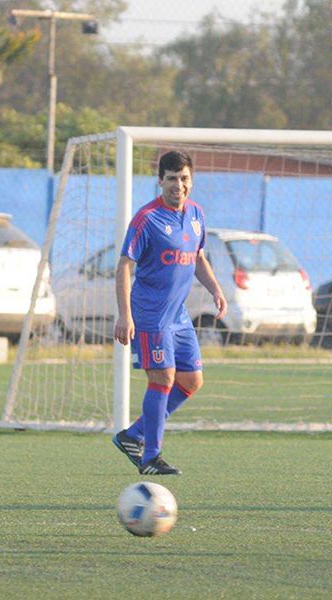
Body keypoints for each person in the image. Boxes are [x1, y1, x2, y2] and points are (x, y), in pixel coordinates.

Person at [112, 150, 227, 475]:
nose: (179, 185)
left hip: (178, 317)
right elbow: (123, 266)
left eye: (184, 178)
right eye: (172, 178)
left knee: (191, 380)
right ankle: (151, 456)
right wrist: (125, 315)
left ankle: (133, 435)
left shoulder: (196, 214)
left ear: (192, 180)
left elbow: (199, 257)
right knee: (163, 378)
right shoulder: (146, 219)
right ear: (160, 180)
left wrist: (215, 289)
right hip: (149, 315)